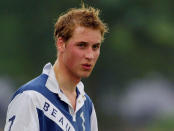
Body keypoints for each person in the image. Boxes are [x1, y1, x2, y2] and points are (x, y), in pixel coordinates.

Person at [4, 6, 108, 131]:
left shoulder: (87, 105)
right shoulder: (31, 97)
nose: (90, 55)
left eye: (95, 47)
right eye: (81, 45)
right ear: (61, 44)